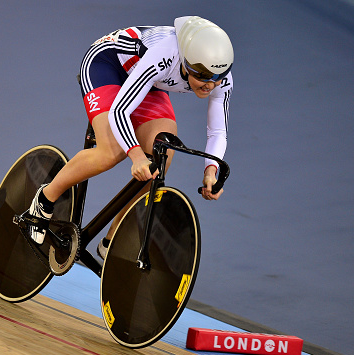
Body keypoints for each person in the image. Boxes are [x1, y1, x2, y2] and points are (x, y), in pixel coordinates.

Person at [25, 16, 234, 258]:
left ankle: (111, 240)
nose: (210, 85)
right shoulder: (164, 54)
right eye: (202, 76)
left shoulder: (219, 73)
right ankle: (44, 200)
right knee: (111, 151)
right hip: (108, 66)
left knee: (161, 157)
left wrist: (211, 170)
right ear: (186, 63)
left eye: (215, 78)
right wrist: (135, 155)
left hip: (148, 81)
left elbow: (218, 130)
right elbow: (119, 111)